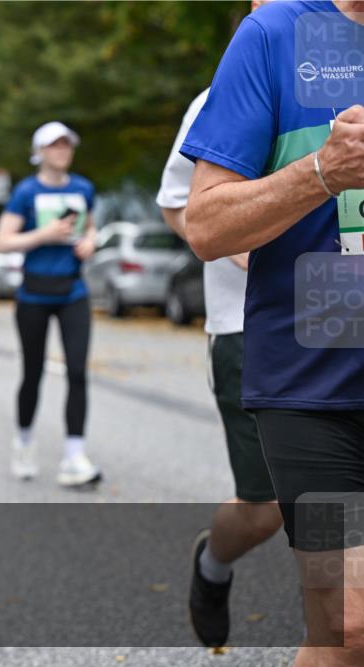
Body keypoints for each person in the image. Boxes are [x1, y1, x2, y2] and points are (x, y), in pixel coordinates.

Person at [182, 1, 364, 663]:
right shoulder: (273, 36)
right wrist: (322, 172)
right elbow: (205, 226)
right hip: (315, 387)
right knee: (348, 623)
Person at [157, 21, 283, 642]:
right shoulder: (221, 96)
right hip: (247, 329)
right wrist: (242, 251)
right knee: (267, 509)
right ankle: (214, 564)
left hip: (342, 323)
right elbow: (176, 203)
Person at [0, 121, 100, 487]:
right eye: (54, 145)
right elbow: (2, 241)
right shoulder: (27, 191)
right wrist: (44, 234)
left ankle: (74, 455)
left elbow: (90, 227)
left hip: (73, 292)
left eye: (66, 145)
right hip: (34, 294)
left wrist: (91, 241)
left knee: (77, 372)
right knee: (33, 373)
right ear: (39, 152)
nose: (62, 151)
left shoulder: (83, 188)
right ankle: (23, 442)